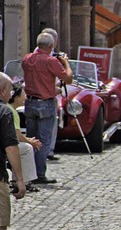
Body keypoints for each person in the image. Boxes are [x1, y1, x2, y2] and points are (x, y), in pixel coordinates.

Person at [21, 32, 73, 184]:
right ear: (51, 46)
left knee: (31, 139)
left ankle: (29, 174)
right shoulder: (50, 61)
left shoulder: (27, 59)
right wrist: (65, 63)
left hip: (30, 103)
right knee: (43, 140)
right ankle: (40, 174)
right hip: (45, 103)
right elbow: (68, 79)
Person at [0, 72, 26, 230]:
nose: (12, 93)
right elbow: (11, 147)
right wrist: (19, 179)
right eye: (9, 89)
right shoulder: (4, 112)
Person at [8, 82, 41, 191]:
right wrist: (30, 142)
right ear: (17, 98)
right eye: (24, 95)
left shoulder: (9, 109)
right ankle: (24, 181)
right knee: (27, 148)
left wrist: (28, 139)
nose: (25, 98)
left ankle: (16, 180)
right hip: (6, 146)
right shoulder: (12, 112)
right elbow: (16, 135)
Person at [40, 28, 61, 161]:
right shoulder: (54, 60)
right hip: (48, 96)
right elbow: (64, 78)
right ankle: (48, 151)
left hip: (35, 97)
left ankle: (44, 152)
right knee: (50, 124)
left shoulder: (30, 58)